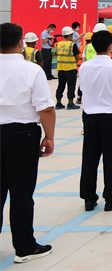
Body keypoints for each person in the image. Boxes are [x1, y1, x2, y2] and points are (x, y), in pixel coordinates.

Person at [0, 23, 56, 263]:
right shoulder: (31, 70)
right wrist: (49, 136)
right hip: (22, 136)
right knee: (21, 194)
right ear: (21, 42)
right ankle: (24, 246)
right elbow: (45, 107)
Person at [78, 30, 112, 212]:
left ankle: (88, 197)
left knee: (90, 158)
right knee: (111, 159)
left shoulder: (84, 67)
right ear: (111, 46)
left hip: (90, 116)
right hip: (111, 117)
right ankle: (111, 198)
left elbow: (84, 89)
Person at [54, 26, 81, 110]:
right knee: (71, 86)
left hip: (61, 69)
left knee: (60, 86)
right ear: (70, 35)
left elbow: (56, 54)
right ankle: (70, 103)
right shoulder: (72, 44)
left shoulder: (58, 44)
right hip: (70, 68)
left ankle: (58, 103)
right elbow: (77, 56)